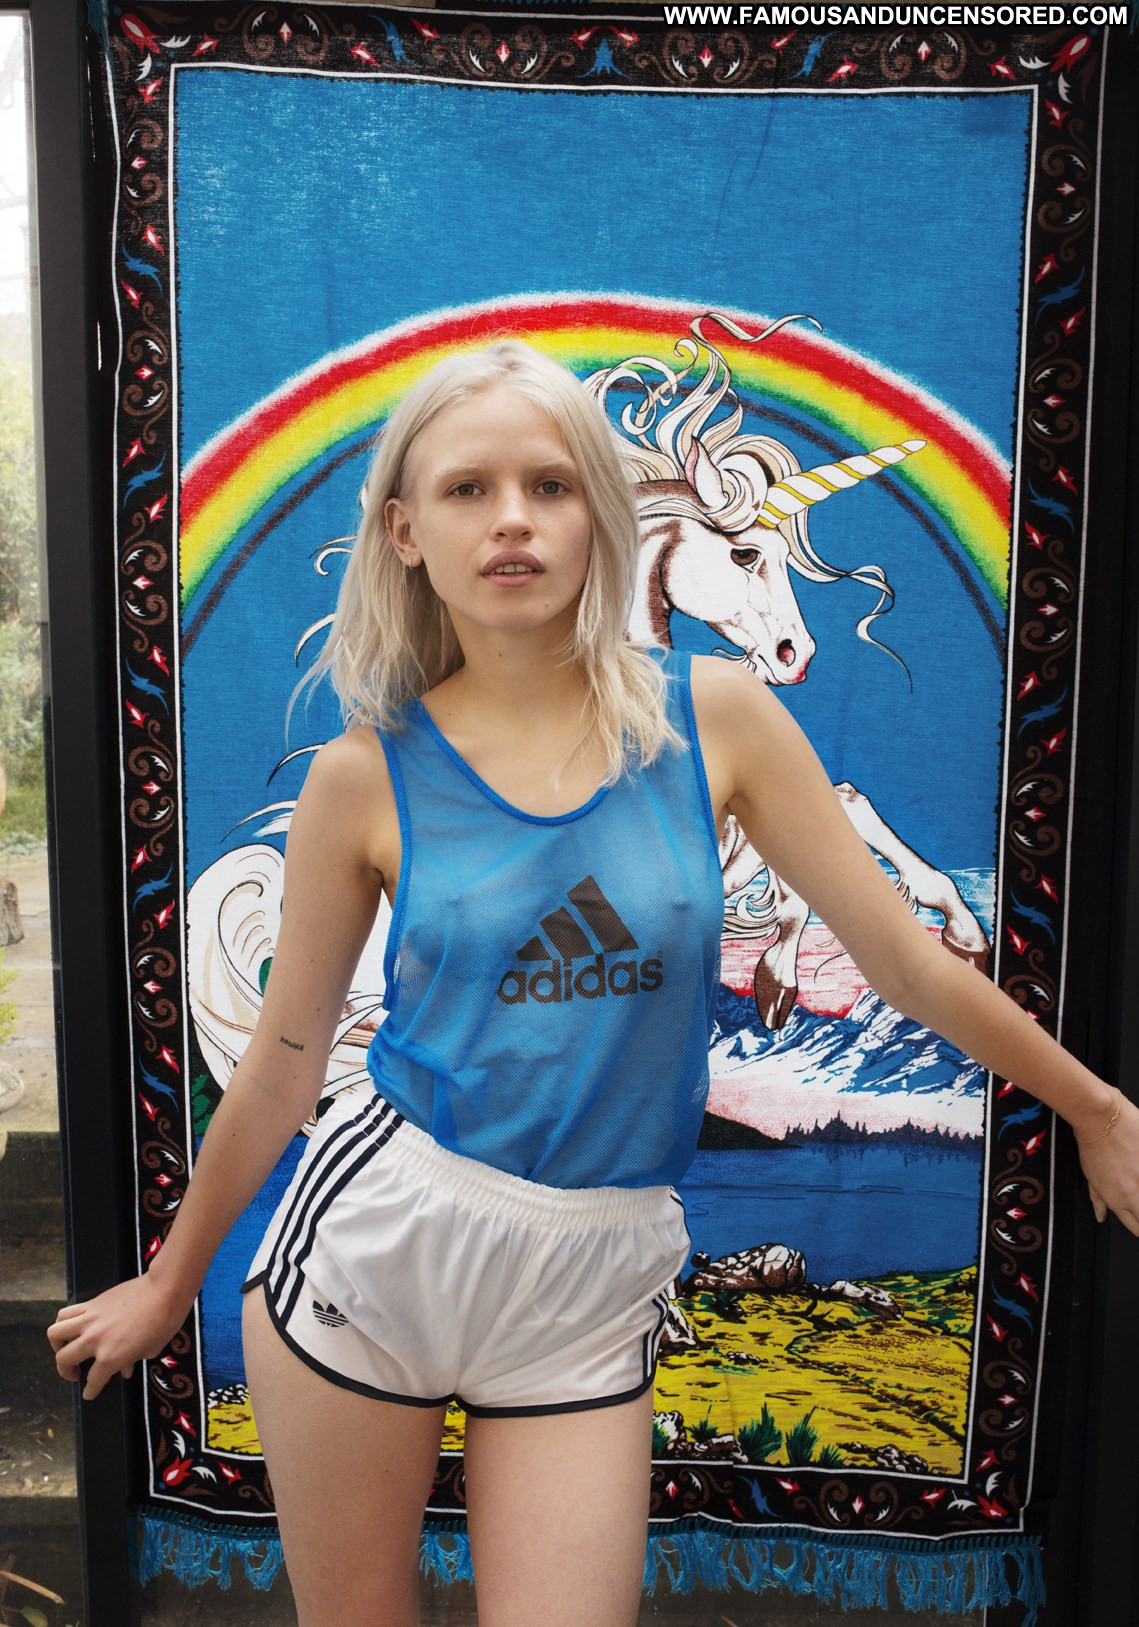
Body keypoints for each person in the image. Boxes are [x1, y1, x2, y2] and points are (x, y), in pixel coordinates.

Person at [48, 341, 1139, 1627]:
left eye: (550, 485)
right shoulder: (363, 776)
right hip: (381, 1242)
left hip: (594, 1270)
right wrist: (168, 1283)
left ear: (600, 520)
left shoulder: (717, 718)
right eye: (467, 489)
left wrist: (1093, 1106)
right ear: (405, 531)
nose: (511, 518)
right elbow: (286, 1069)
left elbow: (902, 959)